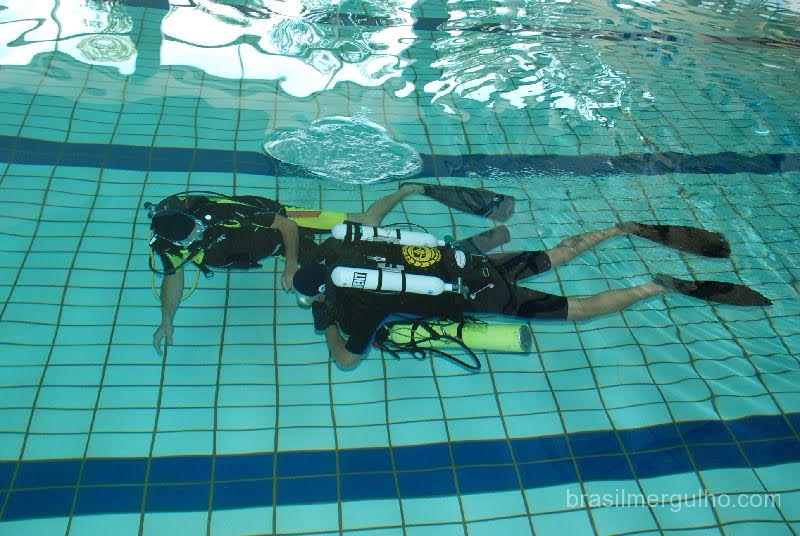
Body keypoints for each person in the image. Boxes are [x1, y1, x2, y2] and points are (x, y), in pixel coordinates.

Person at [292, 222, 771, 370]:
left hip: (482, 297)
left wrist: (328, 323)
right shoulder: (348, 243)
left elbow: (347, 361)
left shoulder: (363, 302)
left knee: (581, 310)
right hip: (473, 263)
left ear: (325, 291)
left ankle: (655, 286)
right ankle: (620, 229)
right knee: (555, 255)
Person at [148, 183, 515, 354]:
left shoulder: (219, 212)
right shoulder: (165, 246)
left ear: (194, 218)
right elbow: (173, 277)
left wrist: (291, 264)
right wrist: (167, 319)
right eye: (191, 238)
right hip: (277, 247)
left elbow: (286, 226)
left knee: (367, 221)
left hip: (283, 218)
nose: (198, 235)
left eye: (197, 230)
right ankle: (470, 252)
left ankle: (407, 190)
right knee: (325, 279)